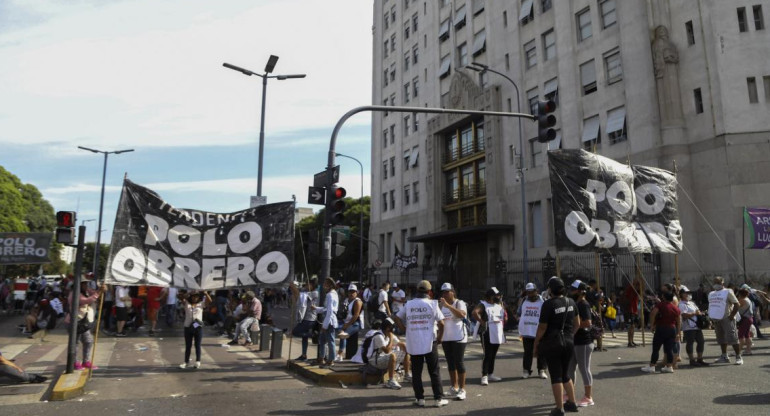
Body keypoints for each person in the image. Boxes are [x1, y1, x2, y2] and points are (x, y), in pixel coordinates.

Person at [395, 280, 447, 408]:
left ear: (417, 290)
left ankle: (420, 399)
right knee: (434, 371)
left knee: (416, 372)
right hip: (430, 341)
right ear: (429, 291)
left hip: (414, 341)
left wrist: (405, 329)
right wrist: (440, 337)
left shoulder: (409, 304)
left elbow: (396, 317)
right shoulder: (432, 304)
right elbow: (441, 323)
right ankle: (438, 399)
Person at [534, 277, 580, 416]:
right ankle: (572, 403)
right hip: (569, 342)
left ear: (550, 290)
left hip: (553, 343)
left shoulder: (548, 304)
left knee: (556, 376)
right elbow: (577, 322)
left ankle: (559, 408)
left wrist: (536, 344)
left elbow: (542, 327)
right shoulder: (571, 302)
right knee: (565, 374)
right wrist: (569, 335)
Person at [439, 282, 468, 400]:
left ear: (453, 292)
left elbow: (462, 315)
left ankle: (462, 389)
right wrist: (439, 336)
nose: (445, 294)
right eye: (443, 292)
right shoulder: (441, 305)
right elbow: (440, 320)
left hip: (459, 337)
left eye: (447, 292)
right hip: (446, 337)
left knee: (459, 362)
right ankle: (454, 387)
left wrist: (448, 306)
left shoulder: (459, 303)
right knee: (450, 362)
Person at [68, 280, 106, 370]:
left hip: (83, 322)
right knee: (75, 343)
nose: (86, 285)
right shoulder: (74, 294)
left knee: (88, 341)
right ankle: (75, 362)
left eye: (86, 283)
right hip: (75, 321)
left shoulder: (86, 291)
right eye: (84, 284)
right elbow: (86, 300)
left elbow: (94, 293)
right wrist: (98, 293)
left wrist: (101, 289)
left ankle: (86, 361)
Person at [568, 280, 595, 407]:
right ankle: (569, 394)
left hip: (584, 341)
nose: (571, 291)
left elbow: (588, 322)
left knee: (584, 369)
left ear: (580, 291)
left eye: (573, 289)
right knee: (570, 368)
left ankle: (588, 397)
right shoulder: (576, 303)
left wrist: (573, 325)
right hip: (575, 340)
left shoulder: (583, 304)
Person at [472, 287, 505, 385]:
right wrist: (482, 322)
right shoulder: (483, 305)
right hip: (487, 333)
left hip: (497, 332)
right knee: (487, 354)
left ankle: (490, 374)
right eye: (496, 295)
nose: (498, 297)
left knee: (493, 355)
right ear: (490, 296)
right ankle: (484, 375)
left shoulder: (498, 305)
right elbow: (474, 313)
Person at [641, 291, 681, 374]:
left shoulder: (661, 305)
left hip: (661, 328)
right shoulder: (676, 308)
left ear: (664, 297)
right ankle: (669, 366)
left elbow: (653, 314)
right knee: (669, 349)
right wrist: (678, 333)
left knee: (656, 348)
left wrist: (652, 325)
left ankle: (652, 366)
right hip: (672, 329)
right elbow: (678, 321)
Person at [708, 276, 742, 364]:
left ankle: (738, 357)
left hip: (727, 318)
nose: (716, 284)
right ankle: (724, 356)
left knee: (733, 337)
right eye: (714, 282)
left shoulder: (728, 292)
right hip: (716, 319)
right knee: (721, 338)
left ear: (722, 282)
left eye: (718, 282)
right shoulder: (711, 293)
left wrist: (731, 316)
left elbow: (737, 304)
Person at [518, 282, 547, 379]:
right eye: (528, 292)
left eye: (531, 292)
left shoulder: (543, 301)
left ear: (536, 291)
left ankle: (541, 370)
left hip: (539, 331)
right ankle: (526, 370)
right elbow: (519, 312)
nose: (530, 294)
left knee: (541, 351)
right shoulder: (523, 301)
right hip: (527, 332)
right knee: (527, 352)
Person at [179, 291, 212, 369]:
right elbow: (180, 297)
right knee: (188, 346)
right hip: (187, 327)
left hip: (198, 327)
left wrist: (206, 294)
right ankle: (186, 362)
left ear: (198, 297)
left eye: (196, 296)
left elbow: (210, 301)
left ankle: (198, 361)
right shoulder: (187, 303)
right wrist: (188, 293)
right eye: (193, 296)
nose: (195, 298)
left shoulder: (201, 304)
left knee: (197, 345)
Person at [678, 286, 708, 366]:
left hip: (697, 325)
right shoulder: (681, 304)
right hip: (689, 327)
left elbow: (698, 311)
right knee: (690, 343)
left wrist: (702, 313)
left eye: (689, 293)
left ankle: (700, 359)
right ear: (681, 294)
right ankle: (692, 360)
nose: (688, 294)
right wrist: (695, 313)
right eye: (686, 293)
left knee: (701, 341)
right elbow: (684, 315)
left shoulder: (692, 303)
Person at [313, 277, 339, 368]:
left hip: (329, 321)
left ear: (329, 285)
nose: (324, 286)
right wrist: (316, 309)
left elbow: (330, 311)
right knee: (322, 340)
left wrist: (325, 325)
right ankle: (321, 358)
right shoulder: (333, 294)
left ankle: (331, 360)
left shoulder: (330, 295)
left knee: (330, 340)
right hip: (328, 320)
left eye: (325, 284)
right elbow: (326, 309)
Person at [290, 279, 319, 361]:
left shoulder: (315, 293)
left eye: (308, 284)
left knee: (295, 332)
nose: (306, 285)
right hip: (305, 317)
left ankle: (313, 335)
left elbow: (300, 296)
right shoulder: (308, 292)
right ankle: (304, 355)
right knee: (304, 337)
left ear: (313, 285)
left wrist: (293, 287)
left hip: (309, 319)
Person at [337, 284, 364, 360]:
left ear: (356, 292)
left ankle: (340, 354)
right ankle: (346, 355)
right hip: (346, 321)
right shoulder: (346, 300)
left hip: (355, 323)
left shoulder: (357, 301)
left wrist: (347, 325)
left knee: (343, 334)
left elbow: (356, 315)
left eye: (353, 292)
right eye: (350, 292)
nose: (351, 293)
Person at [736, 288, 754, 356]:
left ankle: (738, 352)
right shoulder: (748, 299)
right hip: (749, 318)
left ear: (740, 294)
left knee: (741, 336)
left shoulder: (742, 300)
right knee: (747, 335)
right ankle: (748, 350)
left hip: (744, 319)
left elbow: (735, 306)